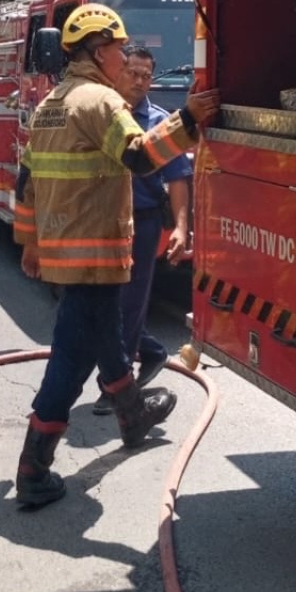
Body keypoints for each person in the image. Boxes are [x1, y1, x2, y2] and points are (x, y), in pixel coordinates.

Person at [12, 3, 219, 508]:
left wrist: (31, 245)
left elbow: (26, 183)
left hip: (66, 252)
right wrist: (189, 120)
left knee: (107, 332)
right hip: (95, 253)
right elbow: (140, 156)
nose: (127, 58)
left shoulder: (51, 105)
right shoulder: (100, 101)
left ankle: (131, 415)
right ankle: (34, 467)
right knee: (71, 355)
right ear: (100, 50)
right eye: (121, 48)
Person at [93, 44, 193, 415]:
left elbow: (179, 179)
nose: (138, 81)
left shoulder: (160, 123)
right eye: (131, 72)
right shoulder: (100, 115)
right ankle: (150, 351)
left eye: (145, 75)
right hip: (101, 221)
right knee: (103, 304)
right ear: (117, 72)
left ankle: (115, 388)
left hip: (143, 222)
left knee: (131, 304)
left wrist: (181, 229)